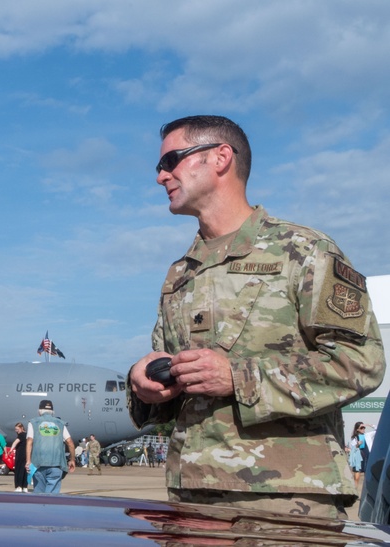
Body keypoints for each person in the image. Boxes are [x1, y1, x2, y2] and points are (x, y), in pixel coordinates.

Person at [127, 115, 386, 519]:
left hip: (287, 499)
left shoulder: (302, 250)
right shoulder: (180, 274)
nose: (161, 176)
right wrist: (145, 382)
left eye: (171, 161)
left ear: (220, 158)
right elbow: (174, 379)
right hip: (193, 496)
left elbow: (361, 362)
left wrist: (239, 377)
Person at [26, 400, 75, 494]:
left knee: (39, 494)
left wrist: (28, 461)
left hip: (38, 464)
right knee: (52, 496)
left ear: (39, 411)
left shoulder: (33, 423)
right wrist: (72, 459)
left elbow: (29, 441)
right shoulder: (60, 423)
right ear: (53, 412)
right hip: (56, 464)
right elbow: (70, 442)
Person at [11, 423, 29, 492]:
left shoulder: (21, 435)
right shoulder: (27, 435)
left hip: (20, 455)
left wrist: (11, 449)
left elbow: (15, 442)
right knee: (25, 471)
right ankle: (25, 486)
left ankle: (19, 486)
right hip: (27, 455)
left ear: (21, 428)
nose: (16, 431)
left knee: (19, 470)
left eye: (17, 429)